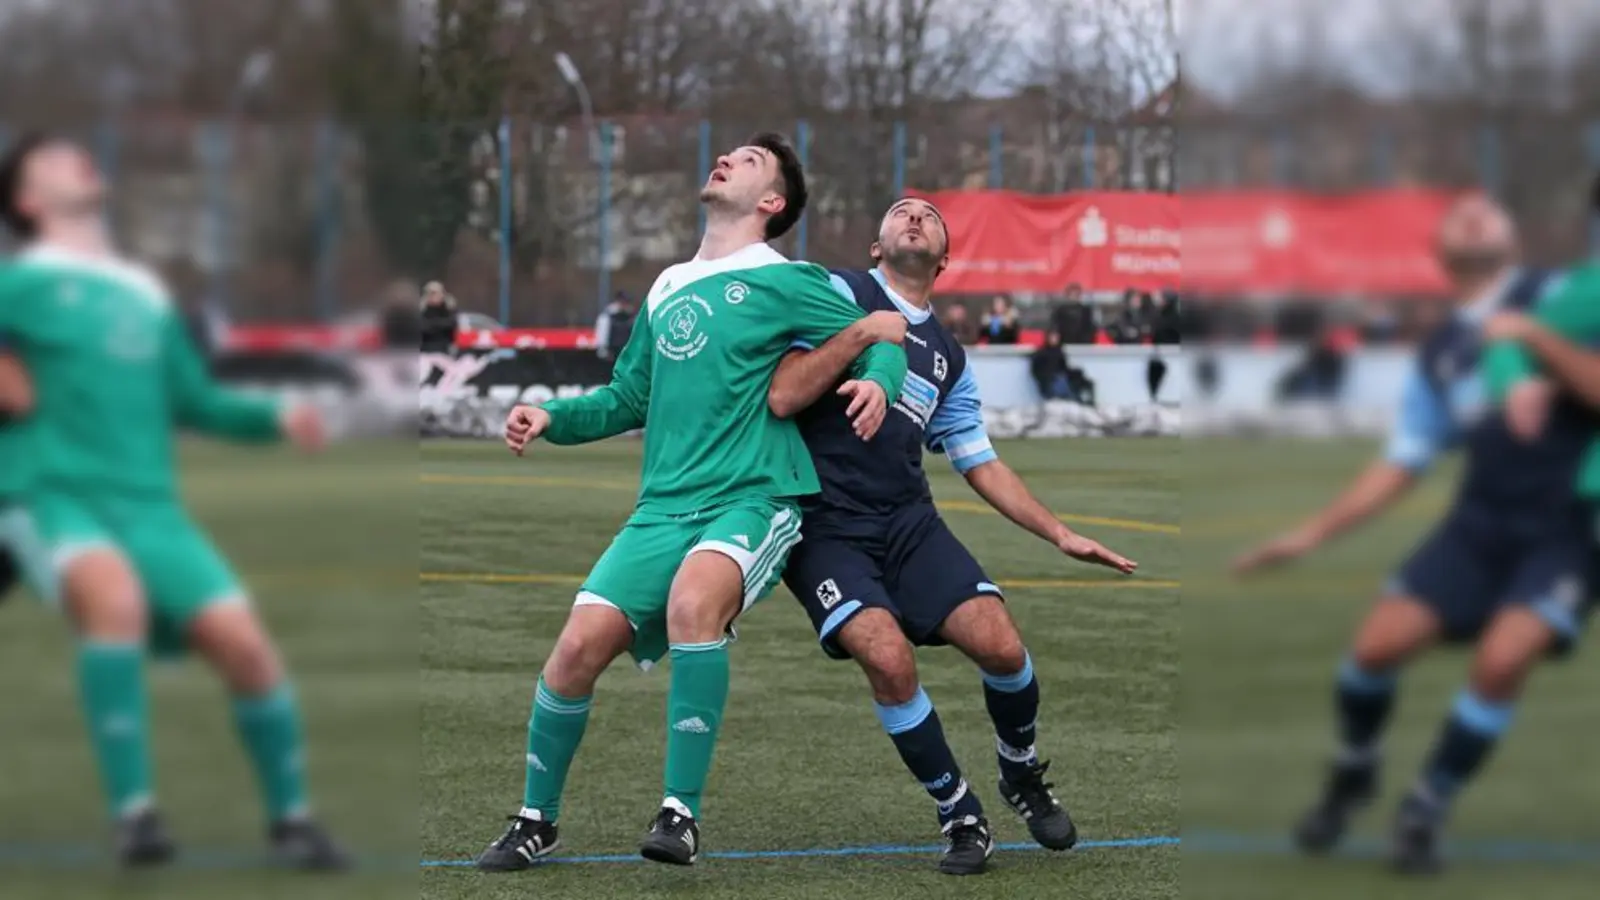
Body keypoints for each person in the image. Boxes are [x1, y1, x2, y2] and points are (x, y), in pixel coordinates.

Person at [478, 133, 908, 870]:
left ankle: (680, 814)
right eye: (728, 153)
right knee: (574, 651)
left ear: (771, 202)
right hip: (661, 509)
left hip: (752, 496)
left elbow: (883, 333)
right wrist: (553, 416)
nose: (726, 159)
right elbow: (626, 397)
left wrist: (880, 381)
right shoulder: (667, 284)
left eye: (749, 160)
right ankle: (534, 820)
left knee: (690, 606)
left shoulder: (787, 277)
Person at [765, 197, 1138, 875]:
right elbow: (779, 379)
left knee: (1001, 646)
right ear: (876, 247)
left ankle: (1020, 773)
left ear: (944, 259)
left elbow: (980, 462)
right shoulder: (839, 292)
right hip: (825, 527)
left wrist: (1060, 534)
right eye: (900, 212)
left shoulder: (949, 356)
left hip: (908, 521)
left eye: (929, 217)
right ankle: (959, 811)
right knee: (886, 657)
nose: (914, 217)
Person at [0, 134, 343, 868]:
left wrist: (273, 418)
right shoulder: (20, 283)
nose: (79, 156)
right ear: (27, 201)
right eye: (53, 157)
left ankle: (293, 821)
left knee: (245, 647)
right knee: (114, 601)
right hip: (54, 493)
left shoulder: (143, 292)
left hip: (150, 507)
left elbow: (197, 401)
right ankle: (137, 815)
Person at [1231, 193, 1597, 875]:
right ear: (1439, 252)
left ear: (1516, 239)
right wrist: (1308, 536)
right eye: (1458, 212)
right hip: (1480, 522)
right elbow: (1404, 461)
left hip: (1567, 529)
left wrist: (1536, 339)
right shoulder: (1443, 352)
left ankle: (1426, 806)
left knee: (1502, 660)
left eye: (1490, 208)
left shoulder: (1568, 299)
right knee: (1372, 650)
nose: (1474, 212)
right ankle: (1355, 771)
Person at [594, 290, 635, 361]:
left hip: (625, 351)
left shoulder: (630, 316)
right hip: (611, 351)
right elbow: (602, 333)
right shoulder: (608, 316)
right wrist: (603, 349)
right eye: (623, 302)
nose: (624, 304)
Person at [419, 281, 457, 354]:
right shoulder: (423, 310)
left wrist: (434, 325)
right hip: (426, 348)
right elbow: (422, 327)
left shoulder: (448, 309)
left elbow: (452, 324)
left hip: (445, 348)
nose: (434, 297)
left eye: (436, 294)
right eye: (431, 294)